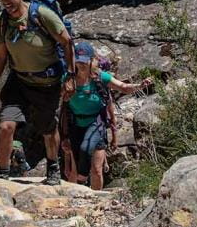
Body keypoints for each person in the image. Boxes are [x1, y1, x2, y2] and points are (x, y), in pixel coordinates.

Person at [0, 0, 74, 184]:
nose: (6, 0)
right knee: (6, 126)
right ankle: (2, 173)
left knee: (47, 128)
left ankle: (53, 167)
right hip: (18, 80)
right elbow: (0, 55)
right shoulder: (2, 22)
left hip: (46, 83)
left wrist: (70, 76)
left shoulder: (41, 14)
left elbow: (67, 42)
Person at [60, 41, 149, 190]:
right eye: (78, 61)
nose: (81, 64)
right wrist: (65, 93)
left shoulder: (100, 77)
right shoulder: (68, 78)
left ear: (91, 60)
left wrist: (139, 86)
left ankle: (92, 194)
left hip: (96, 122)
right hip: (75, 124)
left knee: (95, 168)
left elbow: (123, 87)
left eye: (84, 61)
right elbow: (60, 100)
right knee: (75, 167)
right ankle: (77, 194)